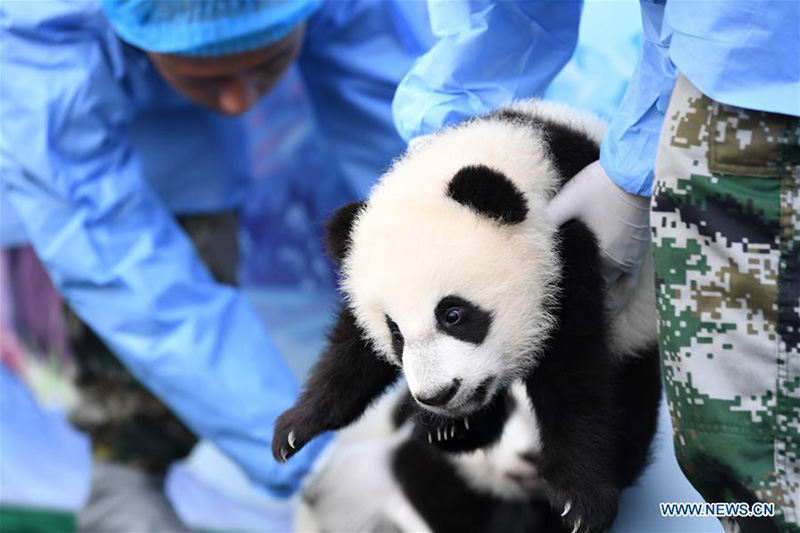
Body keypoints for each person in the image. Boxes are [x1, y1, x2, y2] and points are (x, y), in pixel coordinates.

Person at [0, 1, 438, 530]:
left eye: (268, 63)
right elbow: (118, 263)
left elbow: (393, 126)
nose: (237, 105)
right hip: (85, 123)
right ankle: (127, 473)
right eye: (207, 78)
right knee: (176, 237)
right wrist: (313, 455)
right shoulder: (51, 38)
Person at [393, 1, 800, 531]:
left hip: (753, 86)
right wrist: (451, 119)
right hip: (727, 79)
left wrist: (634, 164)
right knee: (742, 473)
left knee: (756, 466)